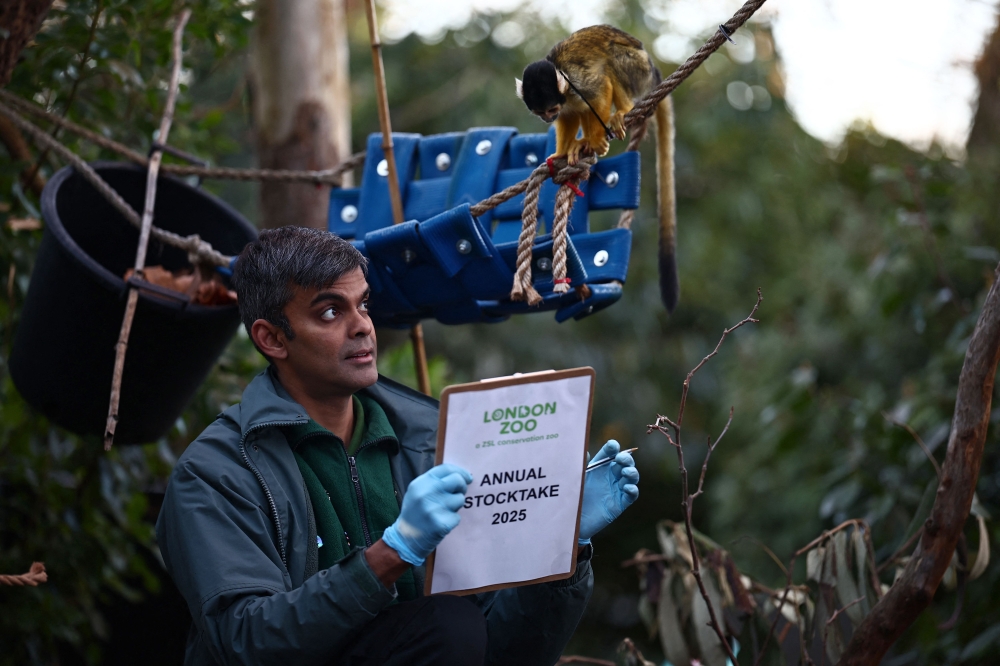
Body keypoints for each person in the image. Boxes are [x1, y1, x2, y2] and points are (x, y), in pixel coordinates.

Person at [155, 227, 640, 666]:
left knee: (457, 626)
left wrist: (559, 548)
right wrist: (392, 553)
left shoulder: (432, 443)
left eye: (363, 304)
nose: (362, 326)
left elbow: (503, 651)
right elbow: (245, 642)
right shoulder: (216, 473)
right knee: (448, 626)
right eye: (330, 311)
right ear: (272, 338)